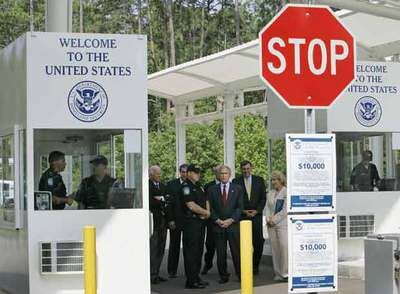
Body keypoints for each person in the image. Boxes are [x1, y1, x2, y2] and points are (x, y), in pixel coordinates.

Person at [209, 165, 244, 284]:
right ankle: (223, 276)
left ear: (230, 175)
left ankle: (240, 275)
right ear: (218, 175)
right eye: (221, 173)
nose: (223, 175)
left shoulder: (238, 188)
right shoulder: (212, 189)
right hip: (218, 226)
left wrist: (231, 220)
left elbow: (240, 207)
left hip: (233, 225)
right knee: (221, 253)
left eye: (226, 173)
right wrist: (217, 220)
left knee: (236, 252)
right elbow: (210, 208)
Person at [233, 160, 266, 275]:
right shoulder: (235, 181)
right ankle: (245, 266)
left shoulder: (259, 180)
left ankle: (255, 266)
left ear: (251, 168)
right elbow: (235, 200)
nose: (246, 171)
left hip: (256, 216)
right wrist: (243, 211)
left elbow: (263, 198)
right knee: (244, 243)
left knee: (258, 242)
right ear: (241, 169)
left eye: (248, 168)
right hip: (243, 216)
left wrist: (257, 211)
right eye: (244, 169)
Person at [182, 164, 210, 289]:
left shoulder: (199, 186)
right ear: (188, 173)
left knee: (198, 251)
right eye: (195, 172)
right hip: (191, 223)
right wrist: (205, 212)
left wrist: (207, 213)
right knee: (191, 252)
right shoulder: (186, 186)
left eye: (198, 172)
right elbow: (191, 205)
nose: (198, 174)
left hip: (200, 223)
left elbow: (206, 200)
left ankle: (196, 277)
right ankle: (190, 281)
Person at [166, 163, 188, 278]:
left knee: (188, 247)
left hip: (188, 221)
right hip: (175, 220)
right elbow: (168, 205)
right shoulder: (171, 184)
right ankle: (172, 271)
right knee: (174, 247)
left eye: (186, 172)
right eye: (183, 172)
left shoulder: (192, 184)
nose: (184, 174)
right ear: (180, 172)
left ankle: (189, 271)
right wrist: (170, 220)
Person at [266, 170, 288, 281]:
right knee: (275, 249)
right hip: (270, 225)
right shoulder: (270, 193)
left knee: (284, 247)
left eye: (275, 179)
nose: (273, 182)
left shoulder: (286, 192)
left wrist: (274, 220)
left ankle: (286, 273)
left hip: (282, 224)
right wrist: (267, 219)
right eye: (272, 180)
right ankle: (278, 273)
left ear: (281, 180)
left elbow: (285, 210)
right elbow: (267, 209)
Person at [149, 165, 168, 284]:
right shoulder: (147, 186)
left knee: (161, 248)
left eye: (160, 173)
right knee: (153, 248)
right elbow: (150, 201)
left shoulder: (163, 186)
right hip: (153, 222)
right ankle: (151, 274)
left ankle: (156, 273)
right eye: (157, 174)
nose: (159, 176)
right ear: (151, 174)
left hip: (163, 221)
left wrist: (160, 200)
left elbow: (167, 200)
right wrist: (160, 200)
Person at [201, 165, 221, 275]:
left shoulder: (230, 185)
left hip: (225, 220)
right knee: (210, 245)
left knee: (222, 247)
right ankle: (207, 264)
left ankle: (222, 269)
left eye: (222, 172)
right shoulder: (208, 186)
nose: (220, 174)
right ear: (215, 173)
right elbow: (206, 203)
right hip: (212, 221)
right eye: (218, 172)